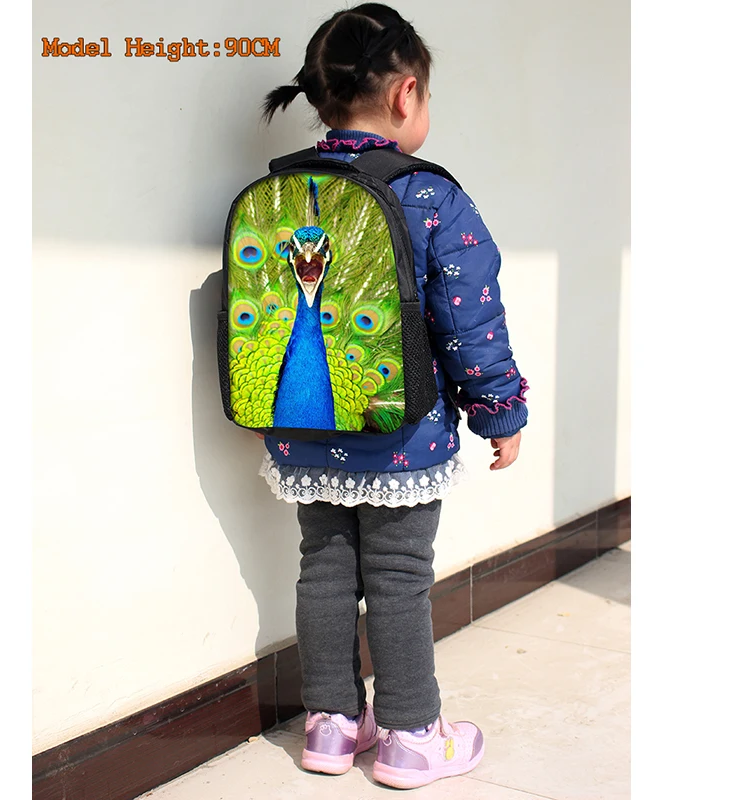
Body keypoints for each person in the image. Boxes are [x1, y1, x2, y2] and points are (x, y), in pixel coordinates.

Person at [256, 3, 528, 790]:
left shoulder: (284, 189)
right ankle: (411, 736)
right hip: (401, 437)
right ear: (407, 95)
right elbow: (471, 320)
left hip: (303, 426)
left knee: (323, 568)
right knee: (400, 574)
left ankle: (332, 726)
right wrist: (500, 412)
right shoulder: (430, 197)